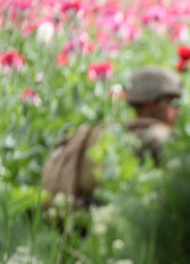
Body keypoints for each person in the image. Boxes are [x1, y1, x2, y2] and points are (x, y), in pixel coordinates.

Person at [40, 65, 181, 210]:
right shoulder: (159, 135)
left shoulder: (104, 132)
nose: (178, 111)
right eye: (173, 103)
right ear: (151, 103)